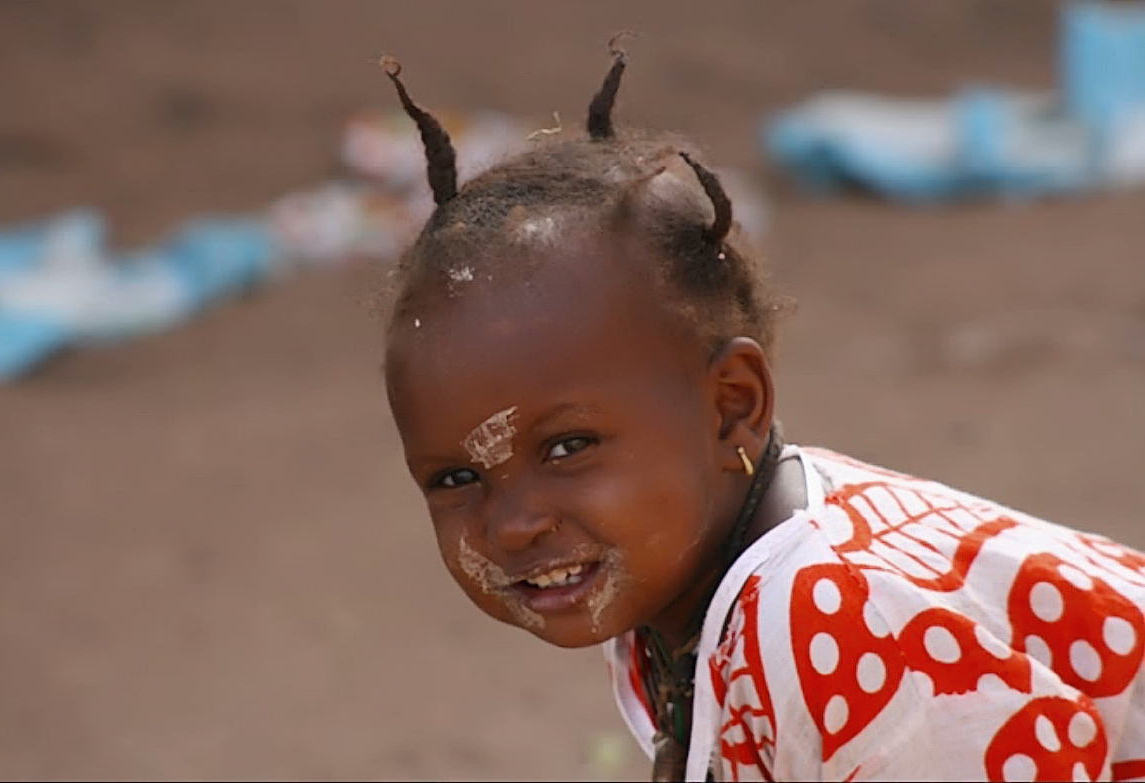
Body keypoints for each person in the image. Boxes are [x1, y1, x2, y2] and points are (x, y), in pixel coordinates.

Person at [378, 39, 1145, 782]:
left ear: (731, 407)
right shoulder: (682, 592)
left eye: (567, 445)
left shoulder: (839, 618)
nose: (511, 523)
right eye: (453, 478)